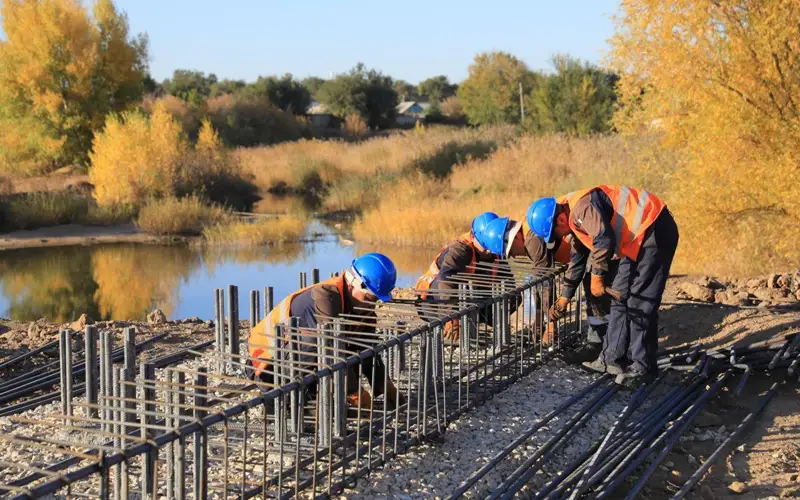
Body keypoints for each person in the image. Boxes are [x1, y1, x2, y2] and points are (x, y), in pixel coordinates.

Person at [527, 185, 679, 387]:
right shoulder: (575, 222)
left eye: (556, 234)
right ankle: (611, 359)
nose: (560, 238)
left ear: (561, 220)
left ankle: (643, 367)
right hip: (633, 242)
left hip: (654, 230)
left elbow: (603, 238)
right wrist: (564, 298)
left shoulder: (582, 209)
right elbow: (578, 260)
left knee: (640, 303)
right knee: (619, 297)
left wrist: (597, 277)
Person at [248, 252, 403, 408]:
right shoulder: (325, 297)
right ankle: (289, 404)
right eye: (370, 298)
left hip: (294, 360)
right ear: (353, 283)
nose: (372, 304)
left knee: (358, 338)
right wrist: (355, 393)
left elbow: (368, 346)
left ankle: (316, 399)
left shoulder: (361, 306)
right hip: (268, 368)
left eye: (377, 299)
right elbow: (332, 348)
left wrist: (385, 386)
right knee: (318, 339)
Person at [415, 213, 523, 341]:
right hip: (432, 300)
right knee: (449, 284)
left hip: (468, 297)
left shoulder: (496, 248)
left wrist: (501, 313)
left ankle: (471, 325)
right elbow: (445, 280)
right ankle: (451, 324)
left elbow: (508, 283)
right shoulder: (460, 248)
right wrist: (450, 315)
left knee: (513, 297)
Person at [523, 232, 619, 362]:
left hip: (608, 254)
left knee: (597, 292)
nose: (511, 255)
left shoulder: (534, 240)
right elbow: (540, 278)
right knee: (592, 289)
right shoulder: (533, 234)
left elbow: (546, 280)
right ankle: (602, 342)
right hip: (599, 250)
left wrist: (551, 323)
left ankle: (604, 345)